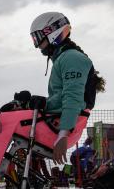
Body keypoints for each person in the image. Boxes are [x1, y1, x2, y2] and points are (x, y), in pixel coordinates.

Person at [29, 11, 105, 165]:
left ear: (51, 33)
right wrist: (42, 103)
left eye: (37, 38)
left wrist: (63, 134)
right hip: (57, 120)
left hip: (62, 125)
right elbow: (62, 96)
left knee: (5, 122)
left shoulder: (72, 58)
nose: (37, 45)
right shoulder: (63, 58)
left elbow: (73, 98)